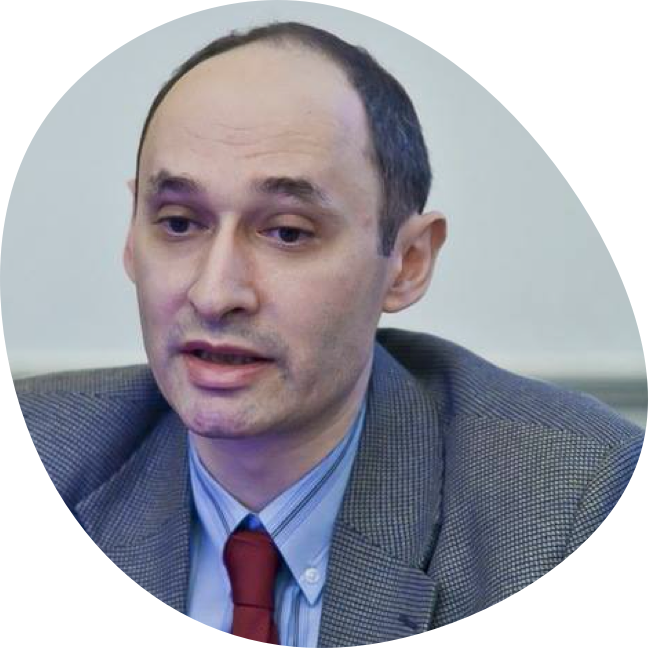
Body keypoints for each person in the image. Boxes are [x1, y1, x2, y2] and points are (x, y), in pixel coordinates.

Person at [17, 21, 643, 646]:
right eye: (179, 223)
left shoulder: (567, 503)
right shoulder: (51, 448)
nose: (214, 293)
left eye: (287, 232)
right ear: (132, 235)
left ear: (408, 262)